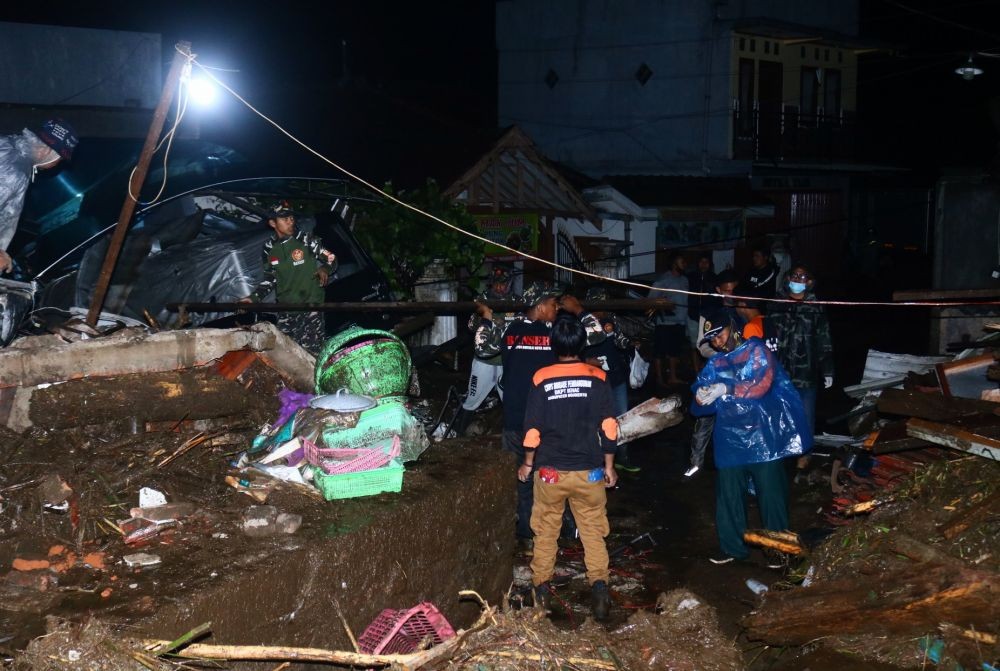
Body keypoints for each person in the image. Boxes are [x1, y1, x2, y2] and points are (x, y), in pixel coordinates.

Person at [475, 282, 604, 551]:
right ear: (541, 305)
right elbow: (595, 334)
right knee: (553, 475)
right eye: (554, 303)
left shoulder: (509, 329)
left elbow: (483, 347)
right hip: (545, 422)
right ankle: (556, 532)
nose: (557, 308)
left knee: (525, 479)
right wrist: (579, 310)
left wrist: (487, 319)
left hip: (516, 420)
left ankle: (528, 533)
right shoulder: (553, 333)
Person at [692, 307, 811, 567]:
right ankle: (733, 547)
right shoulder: (716, 362)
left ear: (733, 327)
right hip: (730, 440)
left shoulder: (758, 352)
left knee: (771, 495)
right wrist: (701, 396)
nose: (716, 342)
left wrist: (727, 387)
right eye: (711, 338)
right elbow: (700, 399)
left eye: (719, 334)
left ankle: (779, 549)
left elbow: (761, 386)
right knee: (729, 496)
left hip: (763, 437)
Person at [520, 314, 618, 620]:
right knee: (592, 530)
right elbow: (610, 427)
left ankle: (541, 590)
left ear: (553, 344)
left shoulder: (541, 377)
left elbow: (532, 430)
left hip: (550, 472)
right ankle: (600, 586)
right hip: (589, 471)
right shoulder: (598, 377)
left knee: (546, 531)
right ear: (582, 342)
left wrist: (527, 464)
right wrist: (609, 466)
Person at [241, 201, 336, 355]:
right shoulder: (269, 248)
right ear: (273, 223)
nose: (290, 221)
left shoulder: (307, 240)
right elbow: (271, 278)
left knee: (312, 354)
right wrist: (253, 298)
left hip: (310, 306)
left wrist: (325, 268)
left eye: (291, 217)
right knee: (287, 355)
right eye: (284, 219)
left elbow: (331, 258)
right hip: (286, 310)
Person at [437, 263, 519, 440]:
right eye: (497, 283)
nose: (500, 287)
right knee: (472, 399)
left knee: (512, 402)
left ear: (510, 283)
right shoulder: (482, 300)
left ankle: (514, 439)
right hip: (484, 362)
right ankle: (457, 435)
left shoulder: (518, 303)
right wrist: (483, 314)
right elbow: (471, 326)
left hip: (508, 363)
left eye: (504, 283)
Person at [770, 264, 834, 481]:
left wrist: (828, 369)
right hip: (780, 372)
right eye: (794, 275)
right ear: (788, 278)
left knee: (806, 417)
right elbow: (768, 334)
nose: (797, 278)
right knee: (778, 414)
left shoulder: (816, 305)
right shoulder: (777, 302)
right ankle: (779, 454)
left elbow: (824, 338)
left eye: (802, 276)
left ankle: (804, 456)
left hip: (806, 372)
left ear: (809, 281)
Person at [0, 119, 78, 273]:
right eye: (59, 159)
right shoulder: (16, 172)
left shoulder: (6, 143)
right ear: (46, 151)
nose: (57, 164)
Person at [686, 269, 743, 478]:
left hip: (739, 374)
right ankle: (695, 464)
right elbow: (702, 345)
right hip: (716, 370)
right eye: (726, 290)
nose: (730, 294)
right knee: (705, 418)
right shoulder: (708, 311)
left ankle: (735, 467)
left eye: (734, 290)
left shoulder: (743, 311)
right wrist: (721, 353)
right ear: (718, 290)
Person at [581, 286, 637, 472]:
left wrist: (631, 344)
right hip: (593, 382)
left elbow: (620, 341)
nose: (600, 311)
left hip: (616, 378)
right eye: (597, 306)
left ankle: (623, 457)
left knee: (621, 418)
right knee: (595, 420)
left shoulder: (611, 320)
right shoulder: (583, 324)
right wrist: (587, 361)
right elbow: (573, 350)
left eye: (603, 306)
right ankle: (596, 459)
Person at [647, 252, 688, 386]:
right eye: (681, 261)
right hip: (665, 322)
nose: (684, 264)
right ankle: (659, 378)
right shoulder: (663, 280)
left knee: (674, 351)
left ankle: (672, 377)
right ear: (674, 263)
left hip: (680, 321)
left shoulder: (684, 280)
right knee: (660, 351)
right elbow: (651, 299)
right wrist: (662, 305)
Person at [686, 253, 716, 371]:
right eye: (701, 262)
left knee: (709, 344)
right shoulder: (691, 277)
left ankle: (706, 369)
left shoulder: (714, 278)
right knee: (695, 345)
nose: (703, 265)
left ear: (710, 264)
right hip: (693, 315)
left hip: (709, 317)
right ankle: (696, 371)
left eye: (706, 262)